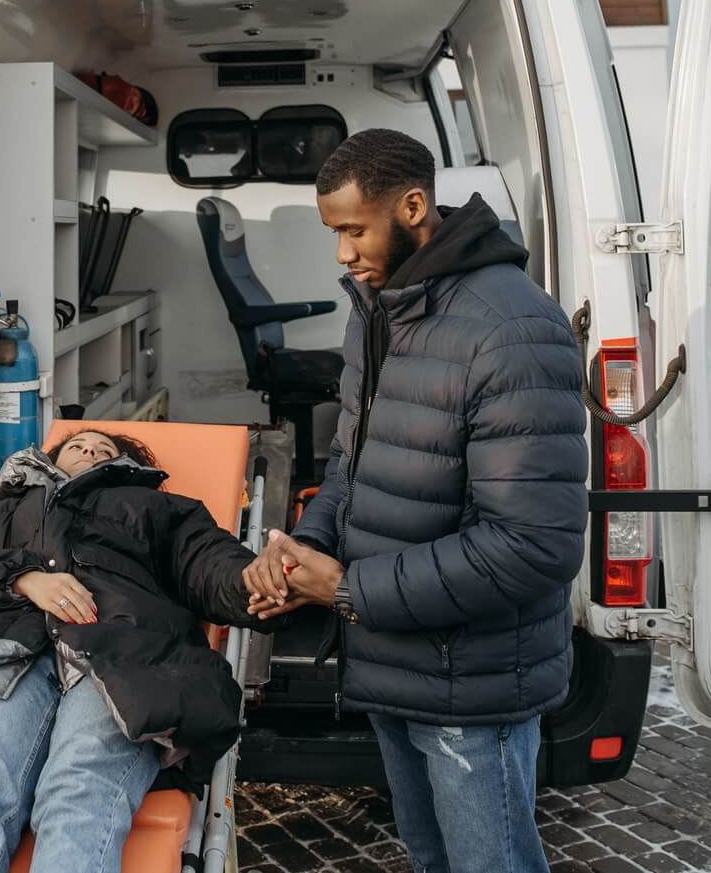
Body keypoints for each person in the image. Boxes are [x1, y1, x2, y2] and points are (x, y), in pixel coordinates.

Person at [244, 128, 588, 873]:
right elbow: (351, 463)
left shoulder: (514, 329)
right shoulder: (378, 308)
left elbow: (536, 544)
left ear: (412, 205)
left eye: (352, 230)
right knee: (432, 860)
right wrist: (304, 548)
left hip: (473, 687)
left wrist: (348, 588)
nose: (342, 254)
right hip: (392, 660)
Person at [0, 429, 273, 873]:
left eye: (104, 451)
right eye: (78, 446)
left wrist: (256, 582)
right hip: (4, 656)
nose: (90, 451)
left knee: (80, 788)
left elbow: (210, 564)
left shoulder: (156, 508)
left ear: (124, 466)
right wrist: (20, 578)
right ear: (51, 458)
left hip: (122, 658)